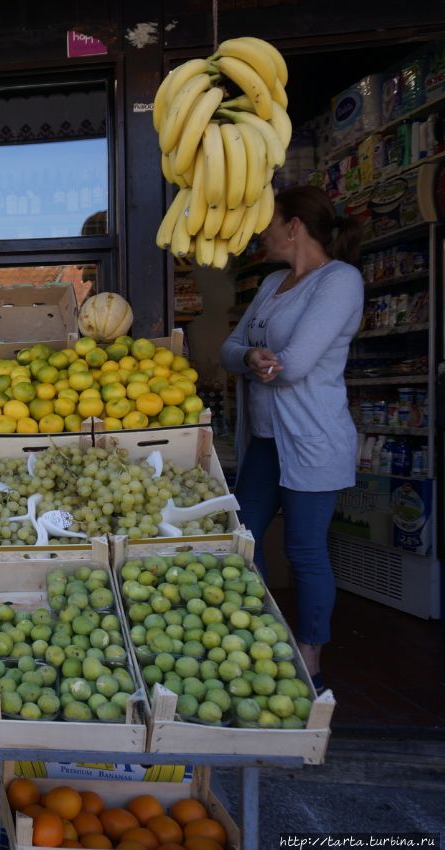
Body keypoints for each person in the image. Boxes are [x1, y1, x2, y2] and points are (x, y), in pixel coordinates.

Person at [220, 185, 364, 691]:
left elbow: (297, 364)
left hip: (311, 440)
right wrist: (250, 358)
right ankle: (267, 636)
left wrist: (260, 360)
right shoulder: (274, 282)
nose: (262, 231)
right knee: (241, 540)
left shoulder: (339, 281)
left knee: (304, 551)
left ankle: (311, 654)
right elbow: (230, 346)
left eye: (268, 221)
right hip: (264, 440)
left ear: (295, 225)